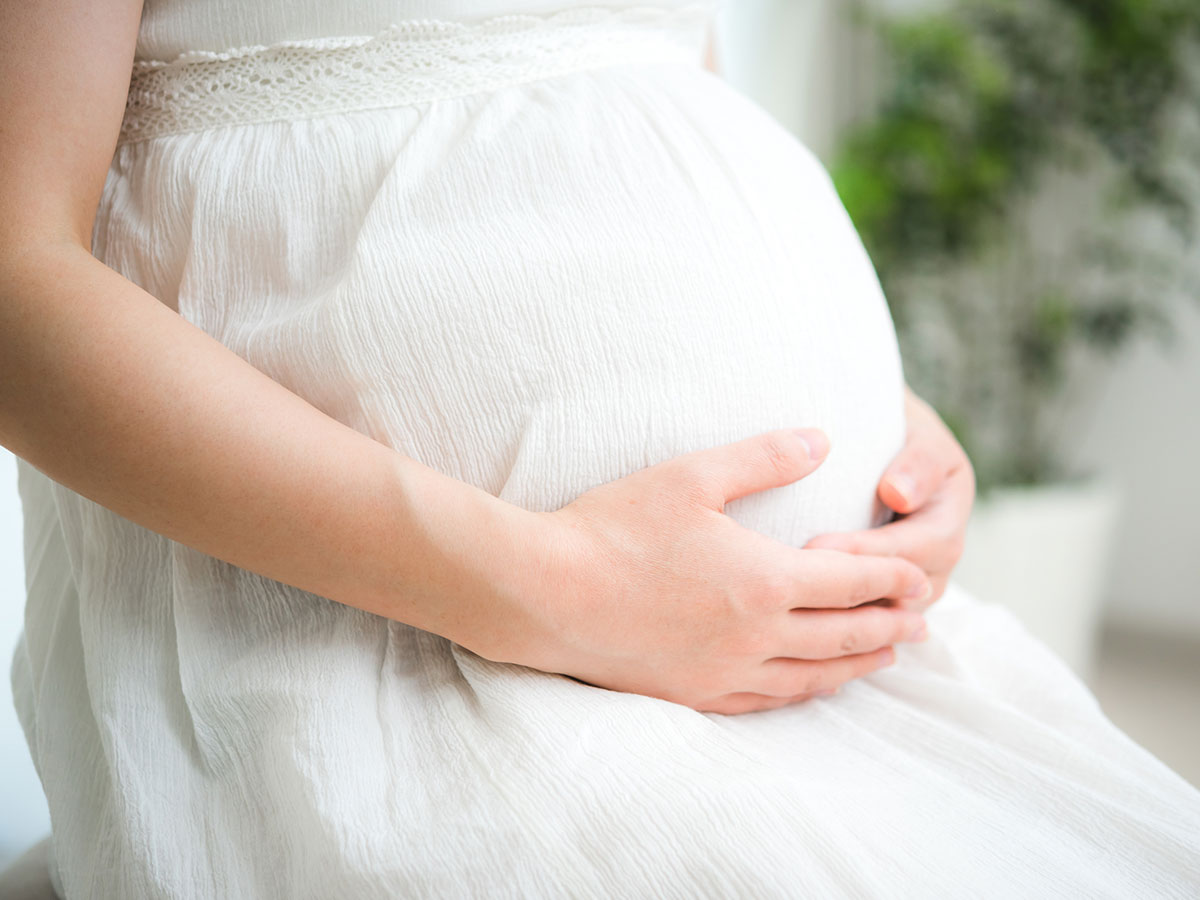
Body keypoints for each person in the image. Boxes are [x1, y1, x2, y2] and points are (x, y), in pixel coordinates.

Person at [1, 1, 1197, 897]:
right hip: (385, 661)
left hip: (814, 660)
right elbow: (15, 286)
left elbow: (643, 105)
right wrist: (562, 593)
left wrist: (888, 424)